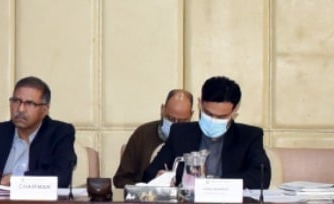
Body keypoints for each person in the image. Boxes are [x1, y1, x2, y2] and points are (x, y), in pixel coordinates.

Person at [142, 76, 271, 189]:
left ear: (234, 111)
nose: (213, 120)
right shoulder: (180, 133)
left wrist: (214, 186)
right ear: (199, 104)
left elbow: (261, 177)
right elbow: (149, 173)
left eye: (221, 117)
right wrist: (161, 178)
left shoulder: (249, 136)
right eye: (208, 114)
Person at [0, 76, 76, 191]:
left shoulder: (60, 133)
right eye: (16, 101)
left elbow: (62, 177)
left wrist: (17, 180)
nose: (20, 109)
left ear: (45, 110)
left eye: (30, 103)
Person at [113, 89, 193, 188]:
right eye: (171, 119)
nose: (175, 126)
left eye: (181, 122)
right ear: (163, 109)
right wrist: (146, 187)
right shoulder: (143, 134)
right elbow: (121, 179)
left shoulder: (195, 137)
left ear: (191, 115)